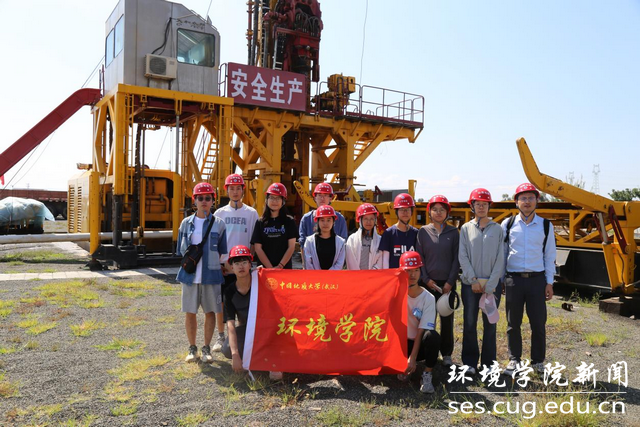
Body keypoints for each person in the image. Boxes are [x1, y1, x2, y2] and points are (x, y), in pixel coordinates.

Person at [502, 183, 556, 375]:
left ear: (537, 201)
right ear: (516, 202)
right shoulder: (508, 225)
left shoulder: (545, 226)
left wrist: (549, 282)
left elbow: (549, 255)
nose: (527, 202)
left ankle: (538, 362)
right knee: (513, 323)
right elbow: (503, 253)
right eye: (523, 198)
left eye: (530, 198)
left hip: (537, 281)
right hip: (514, 280)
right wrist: (502, 280)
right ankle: (514, 360)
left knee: (538, 323)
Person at [176, 182, 228, 363]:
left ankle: (206, 348)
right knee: (190, 312)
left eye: (208, 198)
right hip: (189, 276)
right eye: (200, 198)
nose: (204, 201)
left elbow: (222, 250)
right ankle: (192, 348)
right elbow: (180, 249)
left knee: (210, 312)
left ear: (213, 200)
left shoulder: (219, 224)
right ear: (194, 200)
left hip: (211, 275)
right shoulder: (185, 223)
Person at [458, 188, 505, 374]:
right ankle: (469, 362)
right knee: (469, 323)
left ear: (489, 206)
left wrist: (491, 285)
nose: (481, 207)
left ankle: (488, 364)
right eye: (478, 204)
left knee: (490, 325)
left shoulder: (497, 229)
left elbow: (500, 258)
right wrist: (473, 280)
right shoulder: (466, 229)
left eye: (485, 204)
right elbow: (463, 256)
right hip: (471, 285)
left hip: (491, 286)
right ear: (472, 206)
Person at [214, 174, 259, 352]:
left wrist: (249, 261)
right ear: (226, 190)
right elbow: (215, 241)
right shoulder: (220, 213)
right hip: (225, 267)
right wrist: (221, 263)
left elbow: (254, 241)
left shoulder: (251, 213)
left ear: (243, 190)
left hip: (243, 266)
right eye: (231, 188)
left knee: (245, 301)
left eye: (238, 188)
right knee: (221, 303)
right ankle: (221, 336)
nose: (235, 192)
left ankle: (243, 334)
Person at [415, 195, 459, 367]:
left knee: (447, 321)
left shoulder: (453, 233)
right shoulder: (423, 232)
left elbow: (456, 259)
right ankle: (428, 352)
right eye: (435, 209)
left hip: (447, 284)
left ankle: (446, 353)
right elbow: (420, 258)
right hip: (427, 285)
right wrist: (426, 279)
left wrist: (450, 282)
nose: (438, 212)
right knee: (427, 320)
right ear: (429, 212)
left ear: (447, 212)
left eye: (442, 209)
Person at [398, 251, 441, 394]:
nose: (412, 275)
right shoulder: (396, 294)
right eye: (408, 270)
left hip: (418, 343)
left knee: (432, 336)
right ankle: (400, 365)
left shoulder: (428, 298)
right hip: (401, 345)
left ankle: (427, 374)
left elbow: (421, 330)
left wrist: (413, 358)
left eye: (416, 270)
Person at [251, 183, 298, 270]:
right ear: (266, 200)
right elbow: (258, 248)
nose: (274, 201)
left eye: (278, 198)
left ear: (283, 201)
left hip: (284, 269)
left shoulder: (289, 221)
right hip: (265, 270)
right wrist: (271, 268)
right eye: (271, 198)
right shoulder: (260, 222)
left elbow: (291, 247)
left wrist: (280, 266)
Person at [298, 182, 348, 262]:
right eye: (319, 195)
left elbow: (343, 244)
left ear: (331, 198)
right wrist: (305, 265)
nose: (322, 198)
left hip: (334, 264)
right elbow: (302, 243)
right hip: (312, 265)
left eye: (325, 195)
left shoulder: (340, 219)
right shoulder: (306, 219)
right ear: (315, 197)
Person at [222, 245, 252, 373]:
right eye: (237, 263)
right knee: (227, 349)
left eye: (244, 262)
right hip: (245, 328)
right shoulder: (229, 291)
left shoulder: (260, 282)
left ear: (250, 264)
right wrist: (235, 354)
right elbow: (230, 324)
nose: (241, 266)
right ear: (231, 267)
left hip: (265, 329)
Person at [379, 193, 419, 269]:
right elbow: (385, 260)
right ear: (396, 212)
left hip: (411, 275)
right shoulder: (388, 233)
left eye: (408, 209)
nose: (405, 212)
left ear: (412, 212)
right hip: (394, 275)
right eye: (401, 209)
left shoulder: (416, 233)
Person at [303, 205, 346, 270]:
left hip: (334, 276)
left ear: (333, 221)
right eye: (322, 220)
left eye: (328, 220)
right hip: (314, 276)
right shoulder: (309, 241)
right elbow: (308, 263)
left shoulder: (341, 243)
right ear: (317, 221)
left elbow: (339, 263)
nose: (325, 223)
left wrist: (328, 275)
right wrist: (317, 275)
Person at [345, 203, 383, 270]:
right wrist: (359, 274)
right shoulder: (352, 239)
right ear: (360, 220)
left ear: (375, 220)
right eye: (365, 219)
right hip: (355, 275)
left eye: (371, 219)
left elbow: (380, 260)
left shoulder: (380, 240)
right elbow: (350, 261)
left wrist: (371, 274)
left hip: (374, 275)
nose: (369, 222)